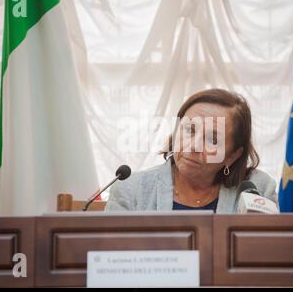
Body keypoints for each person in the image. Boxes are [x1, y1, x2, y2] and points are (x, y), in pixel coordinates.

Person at [105, 88, 278, 213]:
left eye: (213, 139)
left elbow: (267, 256)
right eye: (189, 130)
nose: (193, 146)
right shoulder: (131, 190)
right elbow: (109, 257)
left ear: (232, 156)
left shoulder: (258, 189)